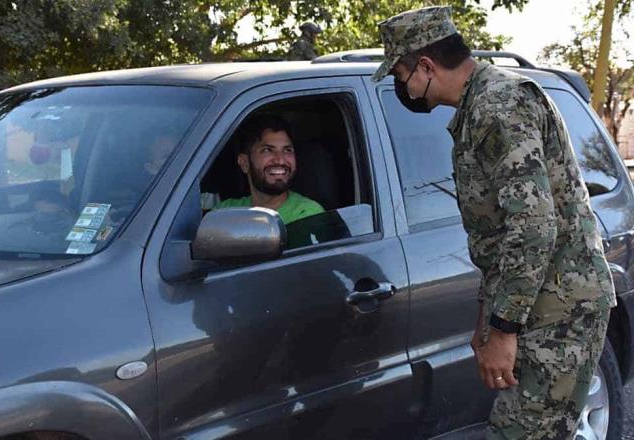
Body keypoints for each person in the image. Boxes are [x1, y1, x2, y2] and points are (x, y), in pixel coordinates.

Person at [372, 6, 616, 439]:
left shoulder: (498, 106)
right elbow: (499, 234)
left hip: (561, 309)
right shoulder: (479, 106)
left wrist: (503, 330)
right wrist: (488, 316)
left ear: (426, 66)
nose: (400, 87)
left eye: (400, 74)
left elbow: (534, 226)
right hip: (538, 306)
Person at [215, 114, 324, 225]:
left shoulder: (307, 213)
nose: (280, 160)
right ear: (244, 163)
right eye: (267, 150)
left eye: (287, 150)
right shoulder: (226, 211)